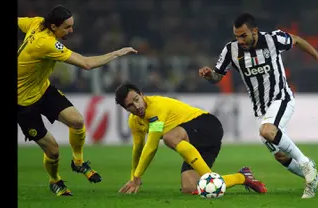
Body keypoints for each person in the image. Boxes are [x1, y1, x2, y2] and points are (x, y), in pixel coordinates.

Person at [198, 13, 318, 199]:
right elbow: (217, 77)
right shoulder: (231, 50)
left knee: (267, 131)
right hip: (261, 109)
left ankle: (307, 164)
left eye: (243, 35)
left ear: (255, 31)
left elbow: (297, 40)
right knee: (281, 156)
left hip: (281, 98)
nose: (240, 40)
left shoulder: (273, 39)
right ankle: (313, 178)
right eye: (236, 36)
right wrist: (209, 75)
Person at [17, 5, 138, 196]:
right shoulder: (46, 43)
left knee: (77, 121)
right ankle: (55, 181)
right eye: (67, 27)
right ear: (54, 26)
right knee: (53, 151)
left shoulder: (36, 22)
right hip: (22, 103)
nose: (71, 30)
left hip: (43, 89)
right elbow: (86, 64)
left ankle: (78, 162)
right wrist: (117, 53)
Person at [115, 82, 267, 194]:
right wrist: (133, 177)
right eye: (130, 105)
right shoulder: (134, 122)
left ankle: (211, 178)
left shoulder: (155, 109)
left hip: (207, 126)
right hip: (192, 143)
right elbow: (138, 149)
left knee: (169, 137)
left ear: (141, 94)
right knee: (190, 189)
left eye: (136, 99)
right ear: (125, 109)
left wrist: (137, 176)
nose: (137, 106)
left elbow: (152, 146)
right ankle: (242, 177)